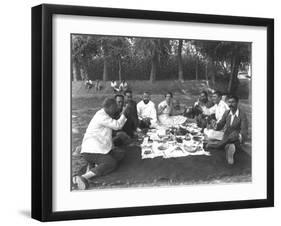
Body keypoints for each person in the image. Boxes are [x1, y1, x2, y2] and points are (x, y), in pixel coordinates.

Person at [73, 98, 130, 190]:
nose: (115, 110)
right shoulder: (101, 116)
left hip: (100, 148)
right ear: (110, 107)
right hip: (91, 151)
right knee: (111, 163)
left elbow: (109, 133)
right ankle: (84, 177)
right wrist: (124, 113)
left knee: (120, 154)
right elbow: (117, 126)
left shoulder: (105, 114)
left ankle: (94, 166)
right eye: (115, 108)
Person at [206, 95, 248, 164]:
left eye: (233, 102)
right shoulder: (227, 112)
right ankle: (227, 147)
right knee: (221, 137)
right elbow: (220, 125)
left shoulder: (242, 115)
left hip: (236, 137)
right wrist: (215, 125)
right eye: (229, 102)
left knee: (232, 136)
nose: (230, 104)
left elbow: (244, 130)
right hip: (226, 135)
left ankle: (218, 145)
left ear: (237, 103)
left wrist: (239, 136)